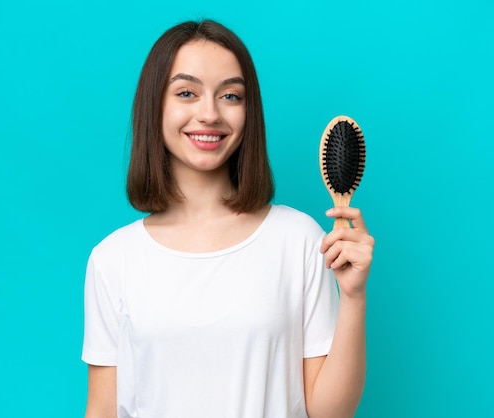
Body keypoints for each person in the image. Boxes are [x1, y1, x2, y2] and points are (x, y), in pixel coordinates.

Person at [82, 19, 374, 418]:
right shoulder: (113, 259)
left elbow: (329, 413)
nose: (209, 113)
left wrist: (354, 297)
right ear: (154, 106)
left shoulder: (298, 239)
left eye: (231, 96)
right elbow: (102, 410)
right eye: (186, 92)